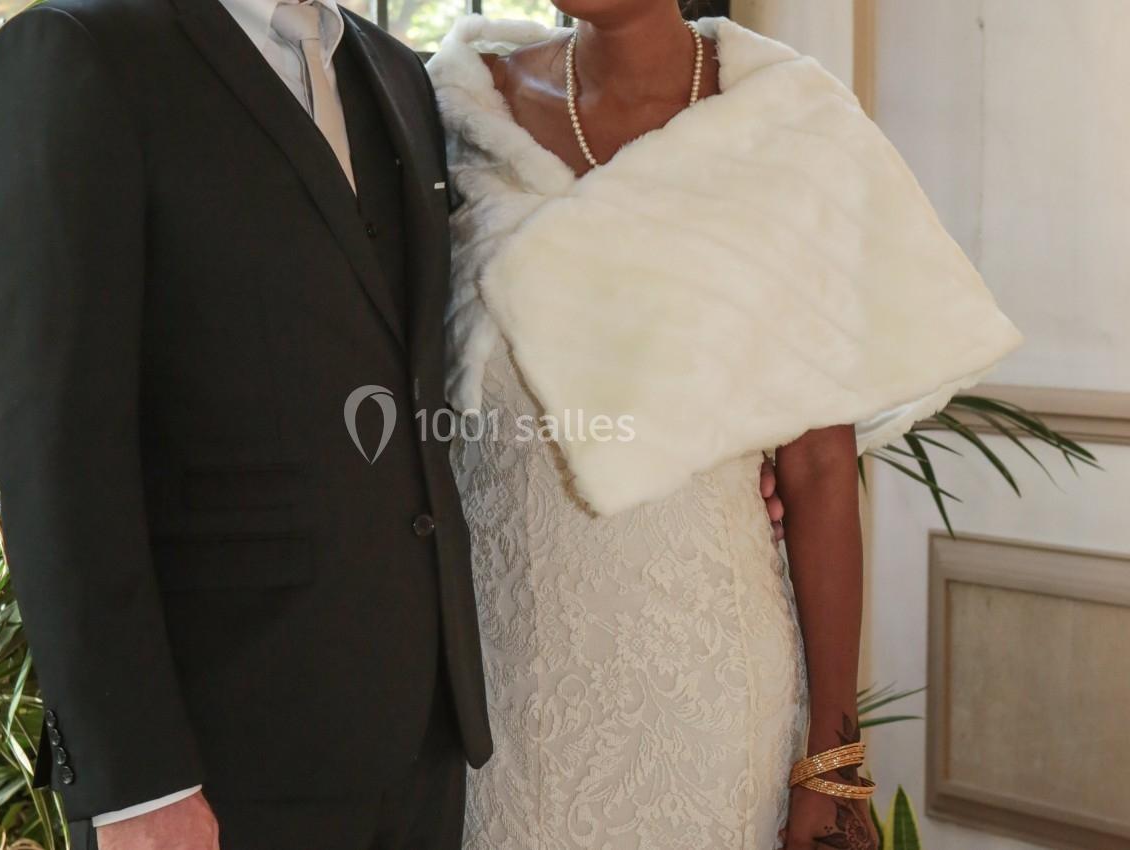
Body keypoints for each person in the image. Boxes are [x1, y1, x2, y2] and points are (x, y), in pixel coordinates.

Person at [0, 0, 788, 847]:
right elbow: (54, 452)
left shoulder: (398, 72)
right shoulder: (80, 53)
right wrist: (135, 786)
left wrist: (716, 459)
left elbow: (455, 353)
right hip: (218, 759)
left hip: (429, 751)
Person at [427, 3, 1022, 849]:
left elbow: (817, 468)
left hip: (703, 683)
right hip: (492, 684)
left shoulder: (786, 124)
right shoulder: (453, 109)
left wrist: (832, 755)